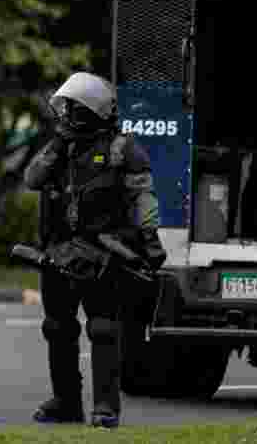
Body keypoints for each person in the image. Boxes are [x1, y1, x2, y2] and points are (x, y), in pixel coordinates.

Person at [24, 72, 166, 429]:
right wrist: (57, 144)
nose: (65, 114)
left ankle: (105, 407)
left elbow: (144, 199)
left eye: (71, 108)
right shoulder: (61, 146)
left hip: (103, 254)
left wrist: (148, 243)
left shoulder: (123, 149)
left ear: (90, 111)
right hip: (59, 253)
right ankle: (66, 402)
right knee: (57, 327)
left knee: (103, 328)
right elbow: (32, 179)